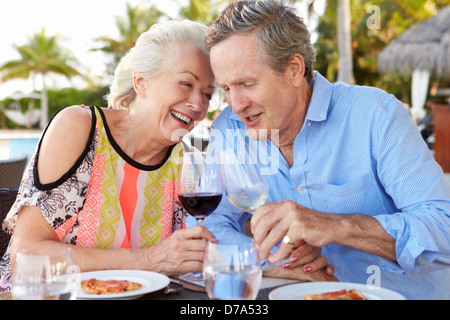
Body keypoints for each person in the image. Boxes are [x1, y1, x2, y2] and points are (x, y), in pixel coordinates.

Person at [201, 0, 450, 299]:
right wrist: (271, 259)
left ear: (294, 69)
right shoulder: (230, 129)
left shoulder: (375, 115)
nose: (236, 104)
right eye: (226, 88)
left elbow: (443, 228)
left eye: (247, 83)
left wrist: (337, 226)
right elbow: (209, 225)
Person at [0, 20, 217, 290]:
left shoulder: (186, 163)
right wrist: (149, 259)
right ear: (141, 83)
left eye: (208, 94)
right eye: (186, 83)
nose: (198, 105)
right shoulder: (80, 128)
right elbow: (27, 256)